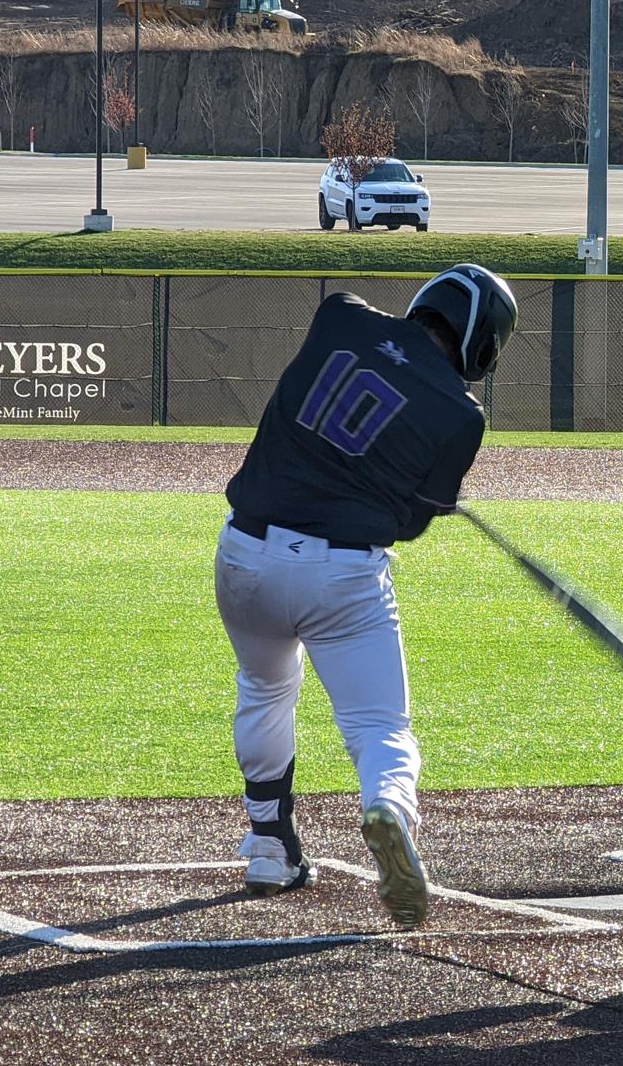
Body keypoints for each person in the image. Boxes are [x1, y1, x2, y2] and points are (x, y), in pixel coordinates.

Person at [214, 264, 518, 929]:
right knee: (380, 728)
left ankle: (269, 844)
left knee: (264, 690)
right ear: (482, 345)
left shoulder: (340, 314)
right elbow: (409, 521)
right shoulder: (461, 415)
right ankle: (388, 808)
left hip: (244, 554)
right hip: (341, 575)